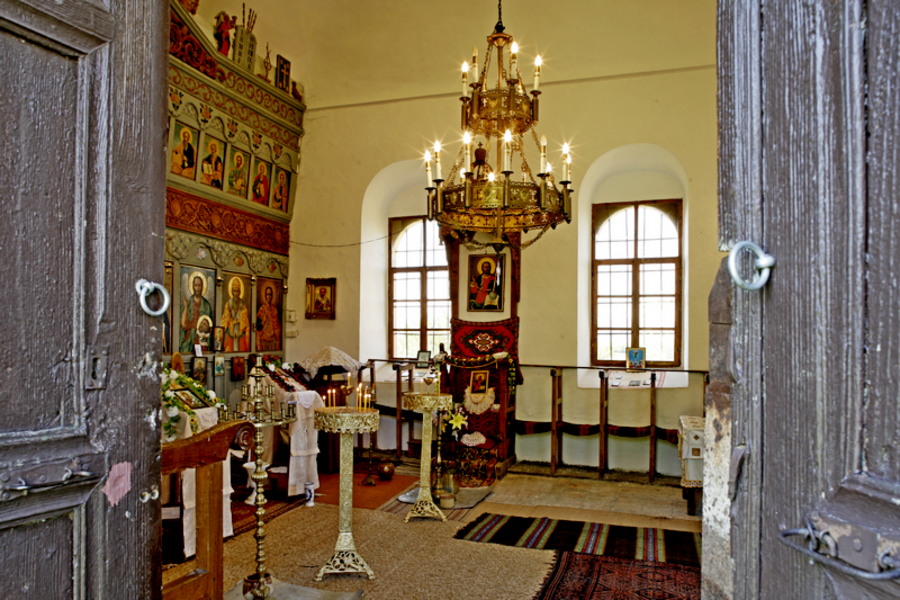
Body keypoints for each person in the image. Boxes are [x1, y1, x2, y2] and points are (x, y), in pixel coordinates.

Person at [179, 274, 213, 353]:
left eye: (199, 285)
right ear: (193, 287)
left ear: (202, 287)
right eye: (195, 285)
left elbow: (210, 326)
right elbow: (183, 325)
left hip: (201, 337)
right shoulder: (189, 303)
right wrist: (186, 307)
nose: (197, 288)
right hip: (189, 338)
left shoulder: (206, 305)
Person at [221, 277, 250, 352]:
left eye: (237, 291)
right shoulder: (228, 304)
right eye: (234, 291)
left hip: (240, 330)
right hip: (230, 331)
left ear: (240, 292)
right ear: (232, 292)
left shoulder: (243, 305)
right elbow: (225, 318)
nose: (236, 293)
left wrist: (240, 318)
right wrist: (229, 319)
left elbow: (245, 319)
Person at [256, 286, 281, 351]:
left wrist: (278, 342)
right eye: (267, 295)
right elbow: (257, 328)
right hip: (264, 340)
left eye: (270, 294)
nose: (269, 297)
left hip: (272, 341)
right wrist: (263, 321)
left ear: (272, 296)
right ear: (265, 296)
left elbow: (277, 327)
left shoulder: (274, 310)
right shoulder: (262, 309)